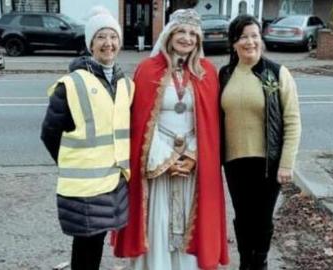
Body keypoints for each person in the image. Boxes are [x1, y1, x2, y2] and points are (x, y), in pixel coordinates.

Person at [113, 9, 229, 270]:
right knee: (158, 220)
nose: (186, 38)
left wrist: (192, 157)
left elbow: (212, 127)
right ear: (169, 34)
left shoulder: (207, 72)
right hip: (157, 162)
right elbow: (139, 124)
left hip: (192, 164)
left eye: (193, 34)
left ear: (198, 41)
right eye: (181, 31)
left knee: (190, 220)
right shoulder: (146, 70)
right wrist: (166, 159)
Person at [40, 6, 134, 270]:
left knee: (95, 244)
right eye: (101, 37)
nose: (109, 43)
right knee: (85, 248)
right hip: (84, 186)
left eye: (113, 37)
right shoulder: (72, 84)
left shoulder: (124, 84)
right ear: (90, 44)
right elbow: (49, 132)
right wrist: (72, 163)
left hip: (111, 181)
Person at [219, 15, 301, 270]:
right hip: (235, 162)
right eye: (243, 36)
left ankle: (259, 264)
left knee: (262, 221)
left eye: (255, 36)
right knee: (242, 219)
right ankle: (246, 264)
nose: (250, 41)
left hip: (269, 163)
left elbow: (293, 121)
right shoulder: (225, 74)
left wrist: (286, 164)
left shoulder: (277, 73)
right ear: (234, 42)